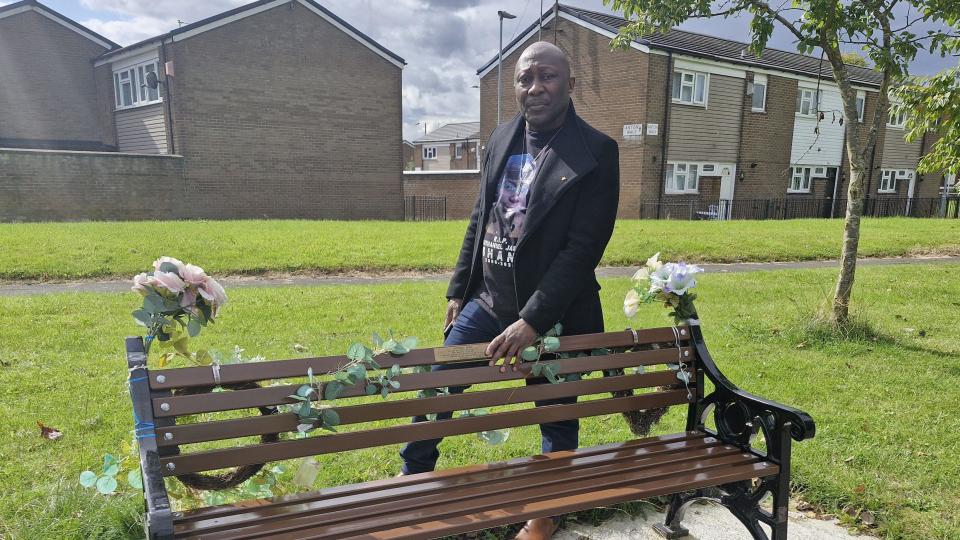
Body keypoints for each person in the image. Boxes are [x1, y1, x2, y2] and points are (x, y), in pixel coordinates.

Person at [399, 41, 620, 540]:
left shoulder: (597, 152)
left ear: (569, 84)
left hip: (556, 310)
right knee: (438, 385)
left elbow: (584, 249)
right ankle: (414, 479)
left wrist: (533, 321)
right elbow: (481, 219)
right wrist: (459, 290)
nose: (535, 87)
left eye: (547, 77)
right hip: (490, 300)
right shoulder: (501, 138)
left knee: (557, 413)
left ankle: (547, 511)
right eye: (525, 78)